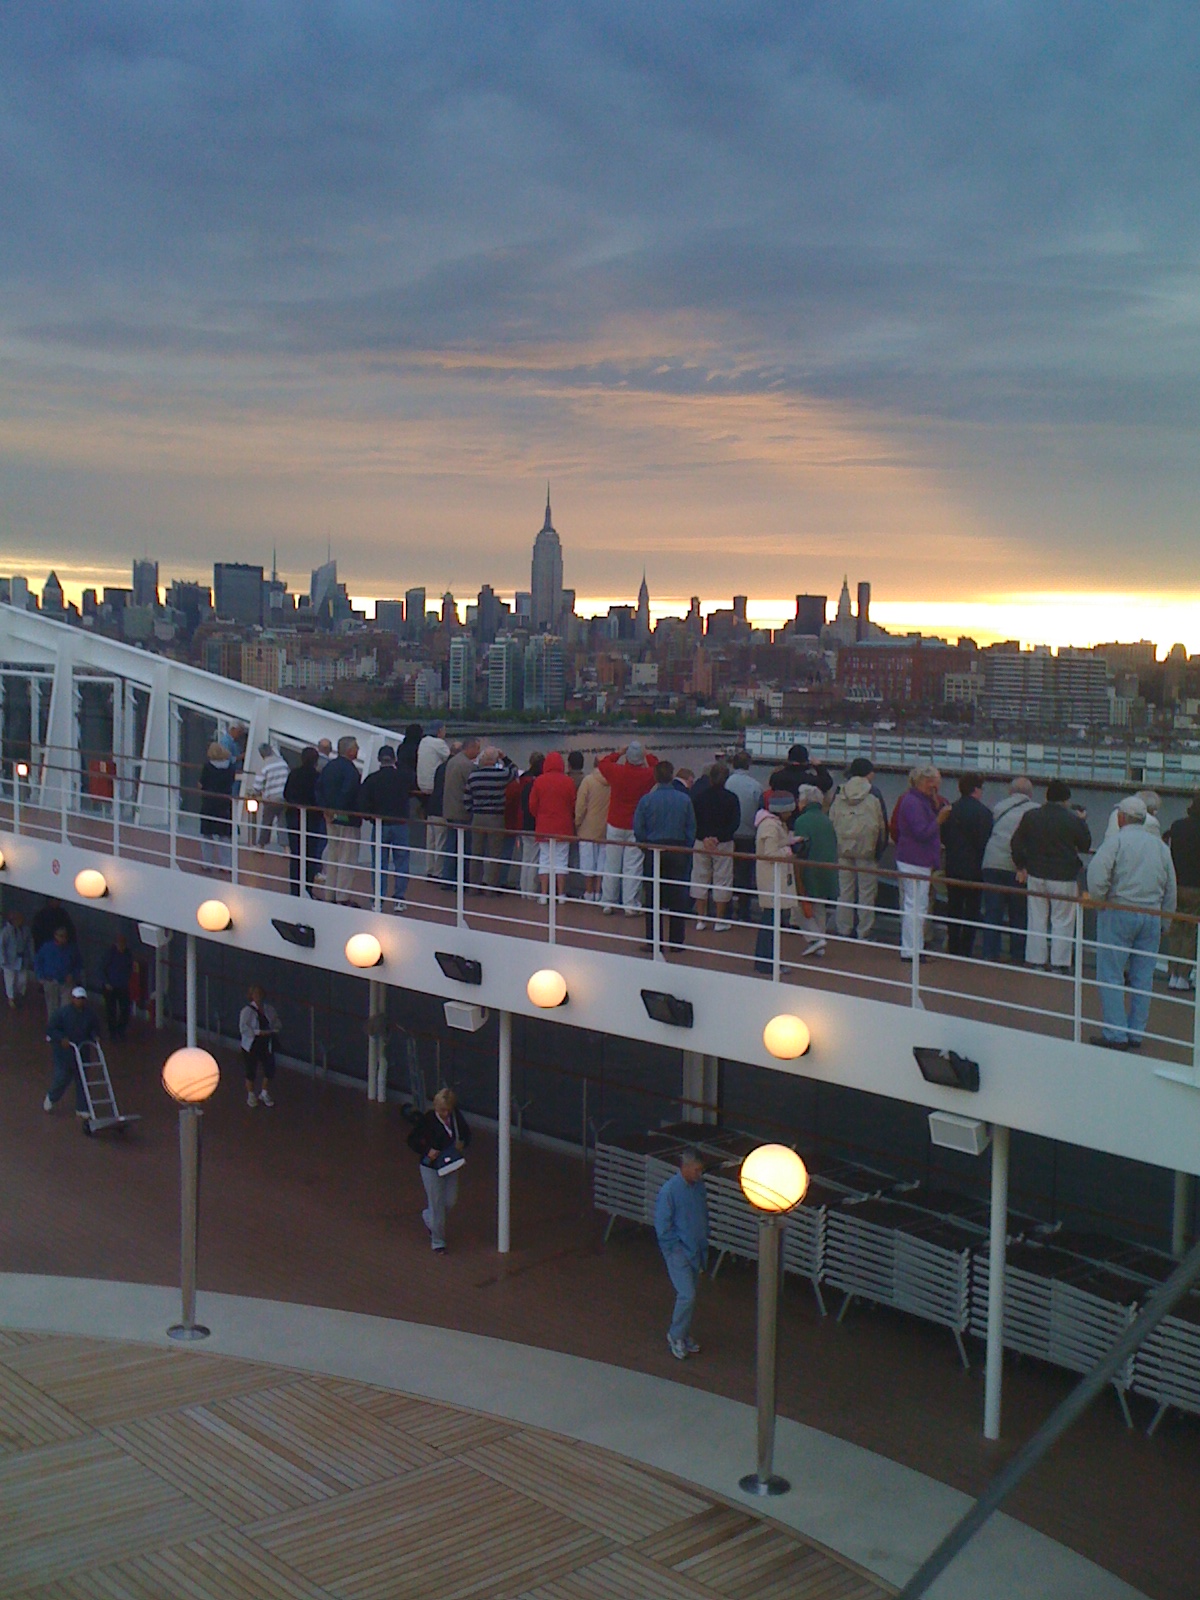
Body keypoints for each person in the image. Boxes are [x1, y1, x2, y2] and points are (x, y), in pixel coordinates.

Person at [1086, 796, 1177, 1050]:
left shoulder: (1116, 842)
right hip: (1151, 915)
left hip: (1119, 910)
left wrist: (1100, 901)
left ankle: (1116, 1033)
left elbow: (1097, 877)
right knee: (1142, 976)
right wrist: (1166, 920)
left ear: (1121, 817)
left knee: (1111, 974)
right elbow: (1171, 887)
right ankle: (1136, 1032)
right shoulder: (1160, 847)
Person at [1011, 779, 1091, 970]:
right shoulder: (1072, 819)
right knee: (1062, 921)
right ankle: (1059, 963)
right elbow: (1085, 845)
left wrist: (1022, 865)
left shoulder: (1031, 816)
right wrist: (1082, 821)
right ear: (1066, 800)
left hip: (1036, 874)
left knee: (1036, 918)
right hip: (1064, 875)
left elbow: (1016, 843)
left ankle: (1036, 960)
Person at [634, 760, 696, 954]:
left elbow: (638, 828)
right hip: (677, 850)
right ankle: (677, 942)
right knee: (678, 896)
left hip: (653, 849)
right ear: (671, 776)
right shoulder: (684, 799)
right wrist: (686, 847)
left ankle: (654, 941)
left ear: (655, 777)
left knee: (653, 897)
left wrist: (645, 846)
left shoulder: (646, 800)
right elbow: (691, 827)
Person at [654, 1147, 709, 1360]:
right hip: (679, 1252)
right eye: (696, 1170)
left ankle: (683, 1334)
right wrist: (675, 1250)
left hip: (695, 1250)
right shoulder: (669, 1191)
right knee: (688, 1294)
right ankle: (676, 1335)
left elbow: (702, 1216)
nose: (699, 1174)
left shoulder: (698, 1187)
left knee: (689, 1295)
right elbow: (663, 1226)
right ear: (685, 1167)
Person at [892, 766, 951, 962]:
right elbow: (922, 832)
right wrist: (940, 819)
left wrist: (935, 805)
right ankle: (911, 950)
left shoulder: (915, 800)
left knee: (918, 905)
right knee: (915, 906)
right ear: (924, 781)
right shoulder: (912, 802)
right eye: (934, 782)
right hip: (914, 859)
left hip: (915, 858)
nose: (937, 787)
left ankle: (912, 947)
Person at [980, 776, 1038, 964]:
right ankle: (1018, 955)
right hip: (1017, 867)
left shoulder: (999, 808)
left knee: (992, 911)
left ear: (1010, 791)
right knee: (1019, 914)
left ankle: (989, 953)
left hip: (992, 863)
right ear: (1030, 793)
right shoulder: (1035, 811)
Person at [408, 1087, 471, 1254]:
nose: (445, 1114)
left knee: (450, 1200)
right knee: (437, 1203)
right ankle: (438, 1241)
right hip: (431, 1166)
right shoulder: (428, 1119)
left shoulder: (456, 1118)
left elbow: (466, 1134)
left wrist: (462, 1143)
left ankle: (429, 1218)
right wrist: (427, 1150)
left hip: (450, 1164)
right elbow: (412, 1139)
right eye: (441, 1110)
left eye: (447, 1110)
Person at [599, 742, 658, 915]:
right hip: (636, 825)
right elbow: (659, 769)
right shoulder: (647, 775)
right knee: (633, 866)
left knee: (611, 864)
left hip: (615, 822)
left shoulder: (616, 772)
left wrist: (618, 752)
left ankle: (608, 902)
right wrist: (648, 754)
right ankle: (630, 904)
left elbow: (603, 763)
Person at [829, 760, 886, 941]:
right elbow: (882, 825)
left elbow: (831, 819)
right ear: (868, 773)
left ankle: (843, 928)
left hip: (843, 849)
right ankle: (864, 931)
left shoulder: (840, 791)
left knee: (844, 891)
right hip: (867, 851)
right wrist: (879, 850)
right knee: (866, 893)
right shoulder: (874, 792)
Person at [940, 774, 993, 959]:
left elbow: (943, 837)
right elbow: (984, 841)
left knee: (953, 907)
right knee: (972, 910)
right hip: (975, 868)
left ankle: (953, 945)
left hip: (953, 865)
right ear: (976, 789)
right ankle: (966, 949)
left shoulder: (949, 810)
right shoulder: (984, 813)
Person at [358, 744, 413, 909]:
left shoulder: (372, 779)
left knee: (379, 863)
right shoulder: (403, 777)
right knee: (401, 862)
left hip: (380, 824)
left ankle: (378, 899)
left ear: (379, 760)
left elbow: (363, 802)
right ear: (394, 759)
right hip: (400, 824)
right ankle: (399, 899)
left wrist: (370, 818)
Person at [690, 763, 740, 932]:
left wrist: (705, 837)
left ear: (710, 778)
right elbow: (735, 823)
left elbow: (694, 821)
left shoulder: (700, 797)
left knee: (699, 877)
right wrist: (718, 837)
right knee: (723, 879)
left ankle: (700, 918)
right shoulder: (732, 798)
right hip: (723, 843)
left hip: (701, 842)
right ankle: (719, 920)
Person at [315, 735, 362, 905]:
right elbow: (349, 792)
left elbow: (318, 789)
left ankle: (330, 893)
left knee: (333, 855)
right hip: (347, 819)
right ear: (350, 751)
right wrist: (340, 810)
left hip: (330, 817)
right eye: (356, 747)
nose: (358, 750)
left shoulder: (329, 767)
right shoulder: (351, 770)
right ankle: (342, 896)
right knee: (347, 857)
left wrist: (326, 809)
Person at [465, 745, 518, 893]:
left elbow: (466, 799)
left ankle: (474, 886)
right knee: (495, 854)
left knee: (476, 853)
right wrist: (504, 757)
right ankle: (491, 887)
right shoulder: (501, 775)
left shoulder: (473, 776)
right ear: (495, 760)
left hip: (478, 817)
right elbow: (514, 770)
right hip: (496, 817)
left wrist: (474, 812)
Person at [792, 783, 838, 950]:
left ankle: (814, 938)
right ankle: (820, 942)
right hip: (827, 869)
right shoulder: (826, 820)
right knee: (819, 908)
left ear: (804, 801)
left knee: (797, 906)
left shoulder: (802, 821)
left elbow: (800, 849)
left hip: (808, 870)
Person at [43, 985, 100, 1115]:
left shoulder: (90, 1014)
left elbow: (94, 1028)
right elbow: (51, 1029)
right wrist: (61, 1038)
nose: (80, 1001)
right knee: (62, 1077)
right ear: (72, 999)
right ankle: (52, 1096)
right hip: (65, 1053)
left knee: (82, 1079)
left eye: (82, 999)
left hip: (82, 1051)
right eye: (77, 998)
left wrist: (95, 1036)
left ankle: (82, 1107)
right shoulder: (62, 1013)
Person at [529, 751, 576, 904]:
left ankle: (544, 894)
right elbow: (573, 804)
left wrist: (540, 816)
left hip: (544, 826)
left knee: (544, 860)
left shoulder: (539, 781)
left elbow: (532, 806)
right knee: (561, 860)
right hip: (563, 826)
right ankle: (560, 895)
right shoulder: (568, 781)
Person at [1165, 794, 1200, 991]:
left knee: (1176, 928)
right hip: (1196, 887)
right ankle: (1184, 975)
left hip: (1176, 884)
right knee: (1191, 932)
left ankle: (1173, 973)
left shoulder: (1177, 826)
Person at [725, 751, 763, 921]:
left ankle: (725, 909)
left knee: (726, 873)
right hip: (748, 834)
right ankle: (743, 911)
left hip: (728, 834)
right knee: (746, 875)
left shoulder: (727, 782)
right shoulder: (756, 786)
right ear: (749, 765)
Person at [440, 738, 480, 886]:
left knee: (451, 846)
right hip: (462, 812)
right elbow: (474, 786)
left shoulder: (452, 762)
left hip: (449, 810)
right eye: (477, 748)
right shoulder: (467, 765)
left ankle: (447, 879)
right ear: (469, 748)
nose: (478, 752)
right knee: (465, 848)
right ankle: (461, 880)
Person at [283, 745, 321, 897]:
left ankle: (295, 889)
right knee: (310, 855)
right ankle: (307, 888)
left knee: (296, 854)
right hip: (312, 819)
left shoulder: (294, 774)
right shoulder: (317, 777)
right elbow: (318, 797)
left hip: (294, 817)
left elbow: (286, 793)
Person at [416, 720, 451, 876]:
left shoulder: (423, 742)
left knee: (430, 838)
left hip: (422, 788)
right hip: (437, 791)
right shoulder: (439, 744)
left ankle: (429, 869)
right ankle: (439, 871)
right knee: (440, 839)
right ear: (439, 731)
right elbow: (449, 758)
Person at [574, 757, 610, 903]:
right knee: (602, 862)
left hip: (588, 828)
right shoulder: (612, 782)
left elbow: (581, 805)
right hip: (606, 828)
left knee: (588, 862)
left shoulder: (588, 781)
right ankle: (598, 892)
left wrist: (577, 822)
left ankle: (588, 892)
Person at [240, 984, 282, 1106]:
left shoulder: (269, 1009)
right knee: (251, 1070)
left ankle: (264, 1092)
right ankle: (251, 1095)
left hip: (266, 1043)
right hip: (252, 1044)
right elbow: (243, 1028)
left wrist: (274, 1029)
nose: (258, 996)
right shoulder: (247, 1011)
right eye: (256, 994)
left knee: (269, 1068)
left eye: (260, 994)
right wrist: (258, 1032)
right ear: (251, 996)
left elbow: (277, 1022)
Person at [198, 741, 235, 873]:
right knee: (224, 835)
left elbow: (202, 784)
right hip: (225, 804)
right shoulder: (230, 767)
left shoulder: (207, 767)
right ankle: (226, 865)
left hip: (209, 803)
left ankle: (207, 863)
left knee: (207, 835)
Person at [34, 925, 84, 1021]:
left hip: (66, 982)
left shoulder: (72, 948)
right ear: (55, 936)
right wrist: (40, 976)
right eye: (61, 936)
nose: (63, 938)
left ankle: (63, 1029)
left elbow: (79, 964)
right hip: (50, 980)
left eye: (65, 936)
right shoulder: (47, 947)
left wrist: (73, 975)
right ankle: (53, 1030)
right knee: (52, 1007)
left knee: (66, 1007)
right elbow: (38, 961)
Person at [515, 752, 544, 899]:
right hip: (534, 825)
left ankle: (523, 890)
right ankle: (531, 891)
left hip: (523, 824)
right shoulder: (538, 784)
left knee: (526, 858)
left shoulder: (523, 781)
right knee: (533, 859)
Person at [250, 743, 290, 848]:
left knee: (266, 822)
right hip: (284, 797)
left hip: (271, 799)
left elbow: (257, 786)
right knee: (283, 824)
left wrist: (255, 794)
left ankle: (261, 845)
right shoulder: (283, 763)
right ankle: (286, 848)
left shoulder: (264, 766)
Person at [769, 743, 833, 800]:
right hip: (804, 811)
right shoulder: (810, 780)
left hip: (781, 811)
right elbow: (827, 783)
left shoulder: (777, 777)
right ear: (806, 762)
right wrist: (819, 766)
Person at [101, 933, 133, 1039]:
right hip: (110, 986)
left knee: (125, 1008)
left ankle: (121, 1030)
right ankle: (113, 1032)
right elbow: (102, 968)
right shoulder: (110, 954)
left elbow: (130, 968)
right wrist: (106, 982)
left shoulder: (128, 954)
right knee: (111, 1010)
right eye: (120, 944)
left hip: (123, 986)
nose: (122, 946)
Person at [1, 910, 32, 1008]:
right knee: (10, 980)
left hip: (22, 958)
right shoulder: (6, 931)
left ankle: (20, 994)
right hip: (9, 959)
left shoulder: (26, 930)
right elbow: (1, 945)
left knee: (22, 979)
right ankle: (11, 998)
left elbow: (30, 943)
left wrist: (31, 956)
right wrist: (2, 959)